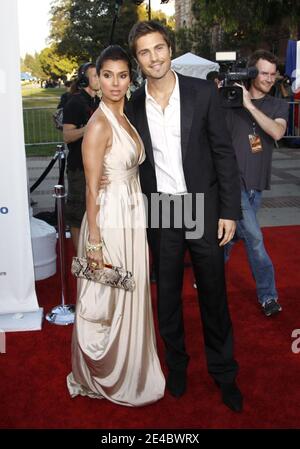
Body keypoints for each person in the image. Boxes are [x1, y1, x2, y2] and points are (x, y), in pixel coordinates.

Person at [102, 21, 243, 412]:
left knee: (213, 294)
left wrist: (229, 210)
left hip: (200, 204)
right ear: (138, 59)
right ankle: (176, 365)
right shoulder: (132, 106)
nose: (154, 57)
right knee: (167, 298)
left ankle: (225, 372)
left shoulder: (201, 92)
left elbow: (224, 154)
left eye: (159, 48)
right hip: (162, 208)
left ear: (170, 48)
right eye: (145, 52)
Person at [67, 45, 165, 407]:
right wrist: (93, 244)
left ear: (130, 77)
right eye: (107, 75)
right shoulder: (97, 124)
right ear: (97, 78)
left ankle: (132, 368)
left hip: (132, 212)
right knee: (107, 294)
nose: (114, 83)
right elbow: (92, 188)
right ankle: (104, 373)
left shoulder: (126, 116)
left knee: (129, 291)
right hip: (108, 223)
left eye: (122, 75)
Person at [225, 49, 289, 317]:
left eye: (273, 74)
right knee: (254, 237)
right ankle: (268, 296)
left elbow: (276, 132)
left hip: (256, 183)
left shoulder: (277, 105)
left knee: (231, 237)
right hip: (232, 181)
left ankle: (209, 273)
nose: (269, 78)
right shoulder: (228, 100)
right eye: (264, 73)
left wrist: (249, 105)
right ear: (252, 73)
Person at [63, 63, 100, 251]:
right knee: (78, 214)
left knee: (93, 212)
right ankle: (79, 257)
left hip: (95, 166)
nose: (100, 79)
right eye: (95, 76)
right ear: (85, 80)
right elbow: (67, 136)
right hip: (79, 168)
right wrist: (88, 129)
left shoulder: (96, 102)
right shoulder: (75, 102)